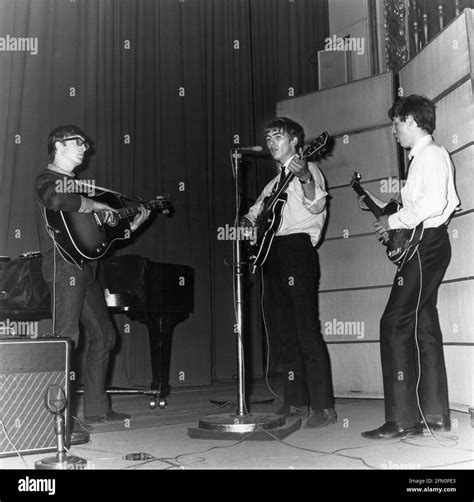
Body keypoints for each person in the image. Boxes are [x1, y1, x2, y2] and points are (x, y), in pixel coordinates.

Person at [34, 125, 150, 429]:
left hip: (86, 270)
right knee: (66, 339)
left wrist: (133, 225)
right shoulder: (48, 180)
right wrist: (98, 204)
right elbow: (56, 200)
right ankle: (54, 422)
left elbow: (98, 240)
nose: (85, 147)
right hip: (63, 268)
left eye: (86, 143)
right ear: (58, 146)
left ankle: (96, 410)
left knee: (106, 336)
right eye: (78, 142)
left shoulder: (80, 188)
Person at [361, 95, 460, 439]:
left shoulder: (430, 155)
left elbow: (433, 204)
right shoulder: (428, 157)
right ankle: (434, 414)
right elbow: (425, 205)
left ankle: (401, 419)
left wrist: (393, 221)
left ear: (414, 123)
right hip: (431, 245)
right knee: (424, 325)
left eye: (397, 123)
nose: (394, 130)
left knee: (393, 323)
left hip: (426, 247)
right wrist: (392, 217)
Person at [241, 117, 336, 428]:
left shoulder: (309, 170)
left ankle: (323, 407)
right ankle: (296, 401)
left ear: (296, 141)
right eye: (268, 136)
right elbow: (253, 216)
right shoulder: (272, 185)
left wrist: (306, 176)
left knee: (306, 330)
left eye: (277, 136)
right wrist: (247, 224)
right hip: (272, 255)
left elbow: (316, 207)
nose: (270, 141)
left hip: (297, 252)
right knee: (285, 333)